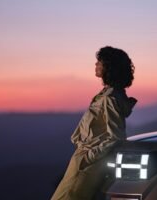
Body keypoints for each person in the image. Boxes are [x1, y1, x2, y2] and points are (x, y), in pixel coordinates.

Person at [50, 46, 137, 200]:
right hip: (84, 162)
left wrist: (87, 158)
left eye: (99, 62)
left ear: (109, 67)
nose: (96, 65)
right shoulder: (109, 95)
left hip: (87, 165)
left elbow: (116, 137)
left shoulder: (109, 98)